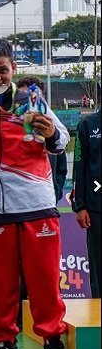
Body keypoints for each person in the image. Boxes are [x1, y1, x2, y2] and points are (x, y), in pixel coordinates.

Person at [0, 38, 73, 349]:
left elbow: (62, 141)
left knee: (43, 279)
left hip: (36, 204)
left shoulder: (32, 99)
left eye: (2, 70)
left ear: (13, 68)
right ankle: (3, 341)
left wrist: (50, 134)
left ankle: (53, 341)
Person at [16, 77, 67, 204]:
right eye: (24, 96)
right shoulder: (13, 127)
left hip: (45, 199)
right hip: (17, 198)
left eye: (34, 94)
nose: (29, 98)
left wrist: (56, 190)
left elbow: (61, 167)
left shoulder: (53, 129)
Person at [72, 109, 101, 298]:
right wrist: (80, 206)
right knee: (98, 268)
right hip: (96, 207)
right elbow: (79, 164)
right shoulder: (87, 125)